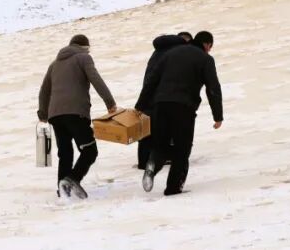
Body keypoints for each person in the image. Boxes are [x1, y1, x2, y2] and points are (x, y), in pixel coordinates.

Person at [135, 31, 223, 196]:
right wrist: (218, 116)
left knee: (161, 144)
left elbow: (152, 80)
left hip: (160, 104)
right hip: (183, 107)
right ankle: (173, 188)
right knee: (182, 149)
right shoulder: (205, 59)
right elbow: (213, 88)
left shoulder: (170, 53)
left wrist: (140, 105)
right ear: (206, 44)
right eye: (210, 47)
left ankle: (152, 164)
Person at [37, 34, 118, 199]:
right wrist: (110, 102)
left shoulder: (54, 64)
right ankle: (73, 179)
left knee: (65, 154)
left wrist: (43, 113)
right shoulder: (84, 58)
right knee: (90, 150)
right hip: (76, 112)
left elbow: (44, 91)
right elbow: (96, 80)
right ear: (85, 47)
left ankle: (63, 191)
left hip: (55, 115)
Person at [136, 31, 193, 170]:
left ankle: (144, 162)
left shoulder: (158, 52)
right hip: (163, 97)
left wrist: (141, 103)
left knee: (148, 130)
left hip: (150, 95)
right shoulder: (175, 55)